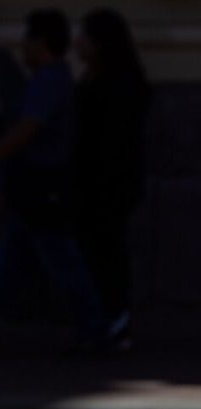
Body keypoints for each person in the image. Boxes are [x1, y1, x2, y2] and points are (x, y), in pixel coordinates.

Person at [0, 9, 106, 353]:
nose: (23, 47)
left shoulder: (50, 79)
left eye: (27, 40)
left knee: (59, 260)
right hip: (35, 187)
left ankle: (96, 329)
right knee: (12, 261)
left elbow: (27, 130)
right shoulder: (50, 78)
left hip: (43, 187)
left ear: (40, 43)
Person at [74, 7, 150, 351]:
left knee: (107, 255)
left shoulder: (116, 85)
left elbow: (112, 143)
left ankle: (114, 323)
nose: (79, 43)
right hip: (105, 182)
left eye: (85, 36)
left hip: (107, 184)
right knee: (102, 253)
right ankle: (108, 322)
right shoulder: (107, 79)